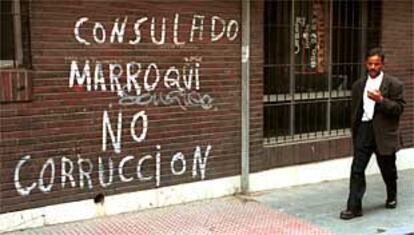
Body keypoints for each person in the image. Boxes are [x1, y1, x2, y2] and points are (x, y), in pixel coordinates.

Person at [339, 48, 405, 220]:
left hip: (384, 133)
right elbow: (355, 110)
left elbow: (399, 108)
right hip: (364, 130)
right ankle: (354, 207)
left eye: (376, 64)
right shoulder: (358, 86)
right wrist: (356, 130)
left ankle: (392, 196)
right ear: (365, 64)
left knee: (388, 169)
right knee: (357, 169)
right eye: (370, 64)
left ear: (382, 64)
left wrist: (381, 101)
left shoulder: (394, 84)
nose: (373, 67)